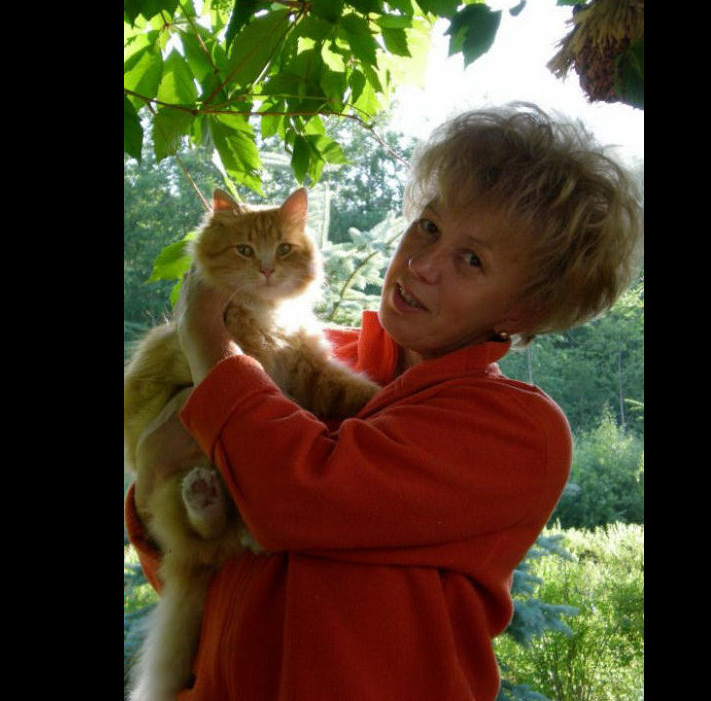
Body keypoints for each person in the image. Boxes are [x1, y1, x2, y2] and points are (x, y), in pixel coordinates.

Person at [125, 102, 643, 701]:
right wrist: (155, 487)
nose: (421, 264)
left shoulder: (519, 430)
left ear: (526, 309)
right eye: (430, 226)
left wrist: (205, 335)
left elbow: (298, 498)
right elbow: (197, 568)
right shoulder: (306, 358)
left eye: (472, 259)